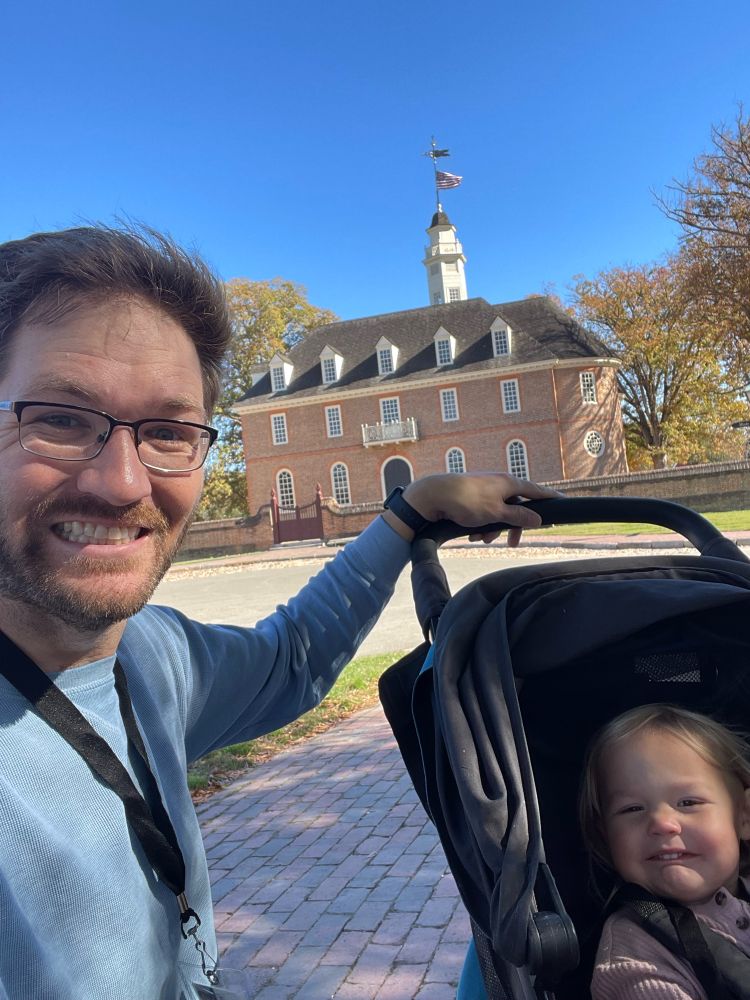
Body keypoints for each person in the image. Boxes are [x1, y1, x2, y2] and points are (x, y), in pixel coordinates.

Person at [0, 224, 558, 1000]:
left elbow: (293, 655)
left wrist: (406, 512)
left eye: (167, 431)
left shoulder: (151, 657)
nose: (124, 482)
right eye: (59, 417)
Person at [580, 704, 750, 999]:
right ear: (605, 836)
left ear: (744, 817)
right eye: (632, 808)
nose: (662, 823)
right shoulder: (633, 954)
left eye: (688, 803)